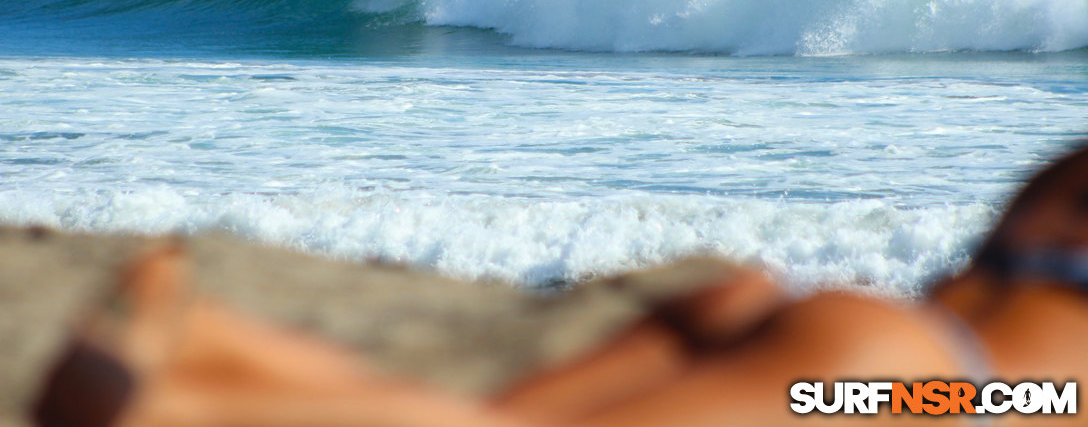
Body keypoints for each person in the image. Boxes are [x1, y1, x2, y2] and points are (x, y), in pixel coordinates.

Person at [33, 144, 1088, 426]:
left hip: (883, 335)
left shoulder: (1069, 173)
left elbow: (972, 271)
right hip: (956, 390)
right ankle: (185, 388)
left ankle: (215, 352)